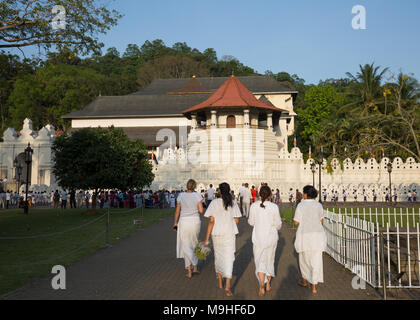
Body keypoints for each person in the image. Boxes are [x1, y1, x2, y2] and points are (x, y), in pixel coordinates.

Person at [203, 183, 241, 297]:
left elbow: (211, 221)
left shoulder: (214, 203)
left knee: (218, 258)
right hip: (229, 234)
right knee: (229, 258)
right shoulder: (233, 202)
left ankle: (220, 283)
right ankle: (228, 286)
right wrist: (227, 223)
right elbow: (237, 221)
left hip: (217, 234)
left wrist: (206, 239)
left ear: (219, 191)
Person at [248, 186, 282, 297]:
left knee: (260, 262)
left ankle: (261, 284)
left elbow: (251, 222)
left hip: (258, 238)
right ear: (270, 195)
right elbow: (278, 224)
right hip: (271, 237)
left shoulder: (253, 206)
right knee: (270, 260)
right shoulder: (274, 207)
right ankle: (268, 284)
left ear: (259, 194)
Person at [293, 185, 327, 294]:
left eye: (304, 192)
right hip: (317, 236)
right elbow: (322, 221)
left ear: (306, 194)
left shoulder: (301, 205)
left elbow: (296, 222)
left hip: (305, 236)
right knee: (316, 261)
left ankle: (304, 280)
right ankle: (314, 287)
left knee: (304, 260)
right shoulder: (318, 205)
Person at [173, 179, 204, 279]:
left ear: (187, 186)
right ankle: (195, 267)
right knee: (195, 243)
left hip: (184, 222)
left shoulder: (181, 196)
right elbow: (201, 210)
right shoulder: (197, 195)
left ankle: (189, 271)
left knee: (186, 245)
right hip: (195, 221)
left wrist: (175, 223)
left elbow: (177, 211)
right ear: (194, 186)